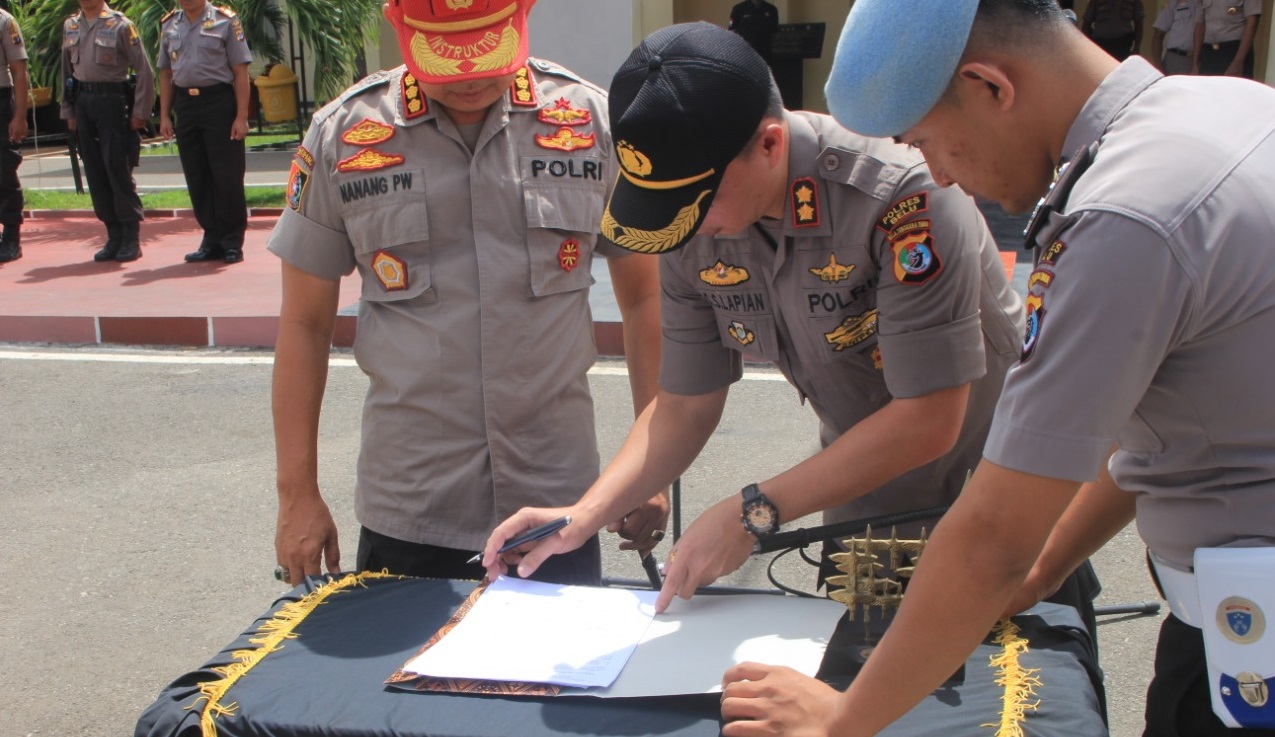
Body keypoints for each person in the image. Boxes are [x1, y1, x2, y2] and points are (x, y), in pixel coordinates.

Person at [717, 1, 1275, 736]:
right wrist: (1043, 570)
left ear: (989, 86)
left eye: (929, 142)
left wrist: (842, 718)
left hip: (1251, 647)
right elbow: (1161, 437)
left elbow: (993, 533)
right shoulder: (1231, 106)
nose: (942, 177)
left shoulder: (1124, 215)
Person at [483, 22, 1102, 629]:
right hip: (867, 497)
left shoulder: (899, 195)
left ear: (771, 145)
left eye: (698, 204)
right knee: (854, 686)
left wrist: (752, 512)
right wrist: (584, 514)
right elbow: (683, 405)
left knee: (1010, 701)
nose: (686, 230)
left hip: (994, 493)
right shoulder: (687, 215)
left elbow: (931, 418)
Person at [267, 0, 665, 588]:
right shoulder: (344, 137)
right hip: (412, 506)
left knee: (556, 679)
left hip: (558, 503)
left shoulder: (590, 125)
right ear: (400, 29)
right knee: (397, 679)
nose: (472, 77)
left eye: (487, 53)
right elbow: (304, 324)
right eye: (446, 60)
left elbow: (647, 301)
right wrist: (296, 493)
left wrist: (648, 473)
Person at [157, 0, 252, 265]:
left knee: (227, 175)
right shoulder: (169, 24)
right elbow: (165, 73)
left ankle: (232, 241)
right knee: (197, 175)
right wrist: (165, 114)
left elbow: (240, 70)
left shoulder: (225, 20)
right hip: (186, 104)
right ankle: (211, 239)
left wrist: (241, 116)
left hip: (219, 102)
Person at [60, 0, 154, 263]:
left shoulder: (121, 25)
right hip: (83, 103)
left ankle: (130, 237)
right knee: (94, 169)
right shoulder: (71, 25)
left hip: (113, 101)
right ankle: (113, 235)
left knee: (117, 168)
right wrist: (68, 110)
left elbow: (144, 71)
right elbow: (66, 71)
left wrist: (140, 112)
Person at [0, 7, 28, 264]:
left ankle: (11, 237)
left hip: (0, 99)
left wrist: (19, 115)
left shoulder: (5, 21)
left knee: (4, 170)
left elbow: (19, 70)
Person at [1193, 0, 1262, 77]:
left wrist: (1238, 61)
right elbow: (1200, 25)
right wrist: (1195, 64)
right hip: (1208, 52)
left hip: (1233, 51)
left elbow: (1252, 22)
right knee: (1206, 88)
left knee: (1233, 88)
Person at [1151, 0, 1198, 74]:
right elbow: (1158, 35)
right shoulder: (1174, 3)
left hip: (1199, 59)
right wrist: (1158, 67)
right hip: (1175, 58)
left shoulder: (1205, 3)